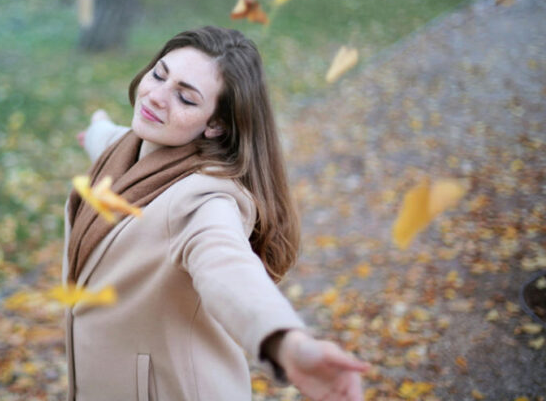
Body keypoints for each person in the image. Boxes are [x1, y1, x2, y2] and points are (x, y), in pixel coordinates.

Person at [63, 25, 369, 401]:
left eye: (186, 98)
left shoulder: (205, 200)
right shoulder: (128, 146)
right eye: (159, 74)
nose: (157, 96)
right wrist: (95, 130)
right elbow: (112, 141)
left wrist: (285, 343)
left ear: (216, 124)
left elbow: (227, 267)